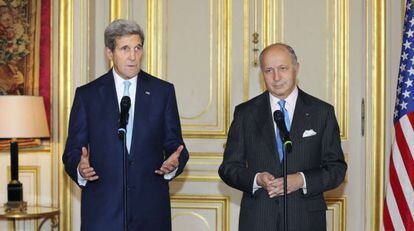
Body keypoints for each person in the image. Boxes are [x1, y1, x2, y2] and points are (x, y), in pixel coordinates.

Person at [62, 19, 189, 231]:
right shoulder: (88, 95)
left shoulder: (162, 92)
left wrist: (173, 163)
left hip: (151, 214)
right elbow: (72, 151)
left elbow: (176, 146)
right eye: (125, 49)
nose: (133, 56)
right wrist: (80, 167)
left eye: (137, 48)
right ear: (109, 53)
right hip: (103, 214)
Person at [218, 43, 347, 231]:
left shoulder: (321, 112)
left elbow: (336, 170)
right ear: (262, 74)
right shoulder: (245, 113)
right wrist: (256, 179)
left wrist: (301, 180)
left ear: (296, 69)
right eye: (269, 70)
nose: (276, 77)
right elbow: (228, 168)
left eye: (282, 69)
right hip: (258, 219)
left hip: (305, 220)